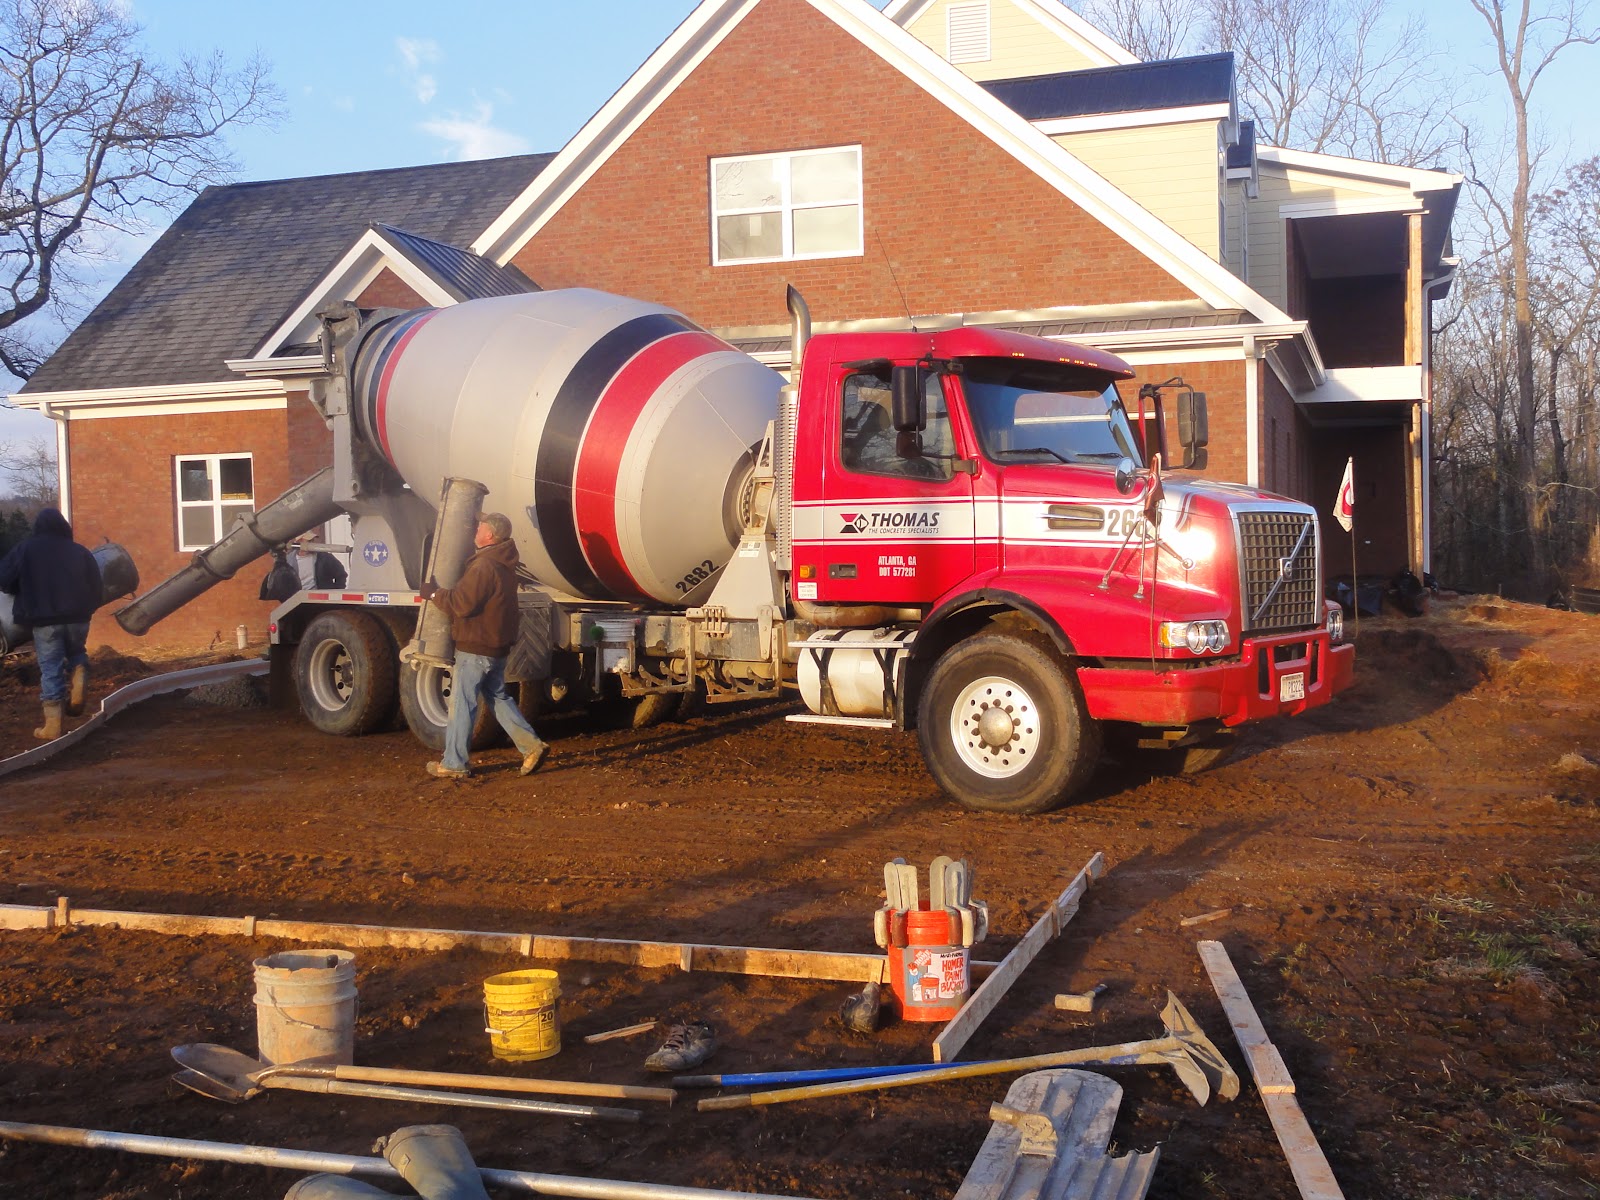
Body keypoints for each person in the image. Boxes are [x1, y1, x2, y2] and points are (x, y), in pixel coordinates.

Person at [417, 511, 547, 779]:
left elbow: (461, 604)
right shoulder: (505, 565)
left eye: (480, 526)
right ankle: (531, 746)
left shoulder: (483, 566)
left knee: (463, 703)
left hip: (475, 646)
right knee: (498, 696)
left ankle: (454, 763)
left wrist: (432, 593)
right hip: (495, 646)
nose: (476, 529)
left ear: (490, 535)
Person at [0, 507, 103, 740]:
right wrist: (87, 610)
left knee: (51, 666)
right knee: (77, 652)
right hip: (79, 618)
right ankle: (79, 671)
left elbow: (4, 580)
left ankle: (53, 726)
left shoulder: (26, 549)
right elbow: (97, 587)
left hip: (45, 620)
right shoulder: (80, 551)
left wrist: (22, 587)